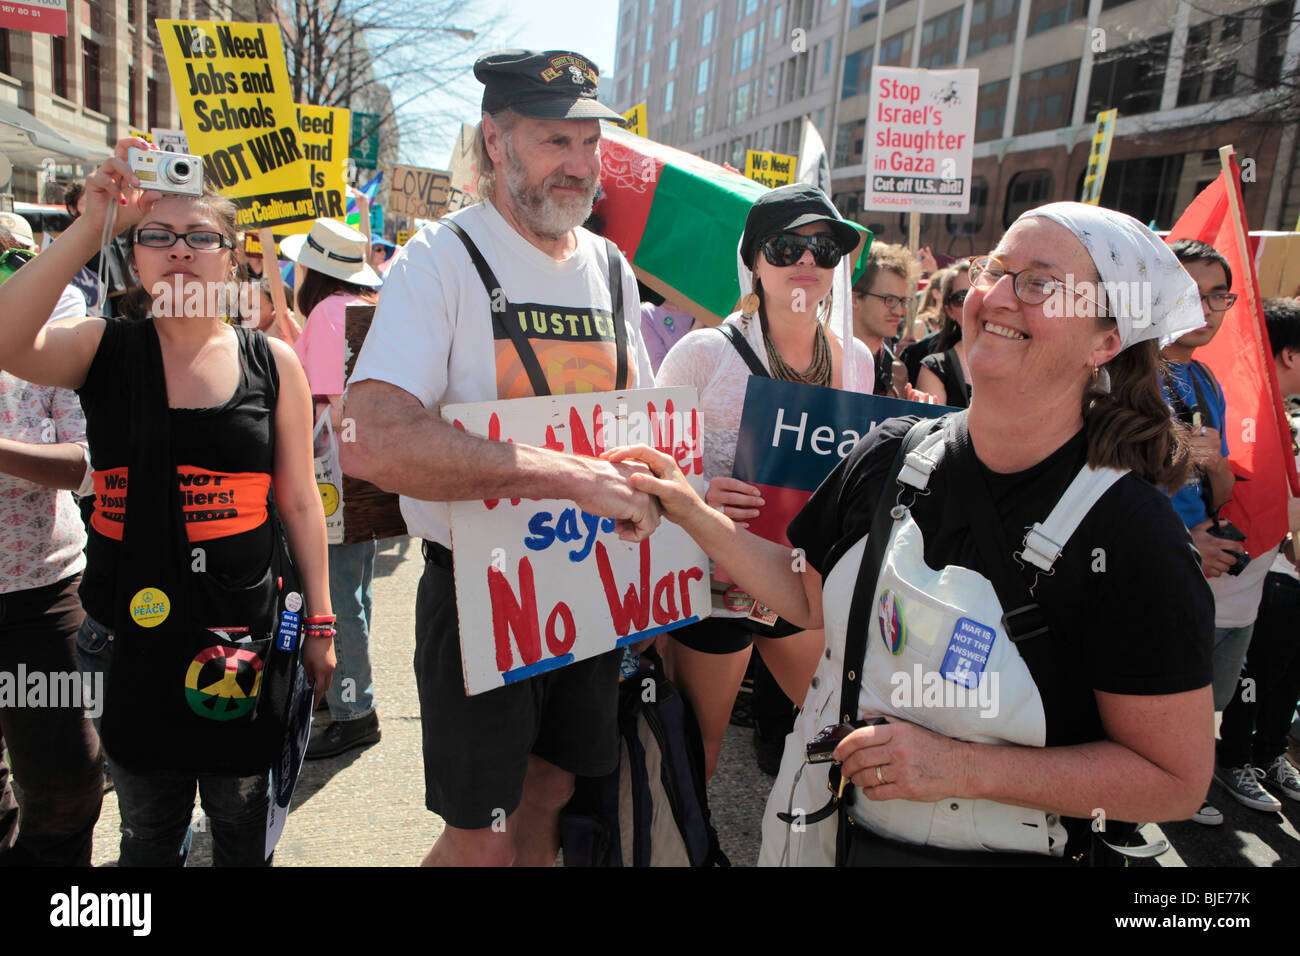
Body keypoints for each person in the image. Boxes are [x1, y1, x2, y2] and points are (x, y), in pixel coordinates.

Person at [609, 201, 1214, 866]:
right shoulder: (892, 452)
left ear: (1107, 340)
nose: (996, 297)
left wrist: (964, 769)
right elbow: (805, 595)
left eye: (1039, 283)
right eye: (995, 269)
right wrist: (691, 510)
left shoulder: (1131, 532)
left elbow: (1174, 781)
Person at [342, 49, 659, 868]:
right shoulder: (439, 259)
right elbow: (371, 435)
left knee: (551, 790)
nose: (581, 167)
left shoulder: (613, 270)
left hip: (590, 589)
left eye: (592, 146)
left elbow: (645, 429)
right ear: (496, 140)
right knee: (478, 835)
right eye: (556, 141)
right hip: (484, 589)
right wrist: (561, 473)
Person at [0, 137, 335, 866]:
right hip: (126, 640)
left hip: (238, 640)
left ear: (232, 253)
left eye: (200, 237)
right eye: (157, 235)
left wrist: (322, 621)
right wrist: (93, 224)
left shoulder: (270, 361)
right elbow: (6, 338)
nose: (178, 251)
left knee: (243, 831)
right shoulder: (102, 347)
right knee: (148, 838)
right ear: (136, 253)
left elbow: (302, 505)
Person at [655, 183, 872, 781]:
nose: (807, 261)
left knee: (845, 730)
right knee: (698, 753)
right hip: (713, 580)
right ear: (753, 261)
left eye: (824, 249)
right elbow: (648, 463)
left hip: (801, 579)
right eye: (786, 246)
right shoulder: (703, 354)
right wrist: (699, 491)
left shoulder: (857, 360)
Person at [1158, 238, 1277, 825]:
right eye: (1190, 292)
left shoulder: (1205, 380)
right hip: (1147, 565)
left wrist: (1215, 467)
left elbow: (1222, 488)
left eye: (1217, 296)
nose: (1204, 309)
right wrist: (1181, 542)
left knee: (1197, 690)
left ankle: (1181, 785)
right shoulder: (1123, 371)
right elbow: (1100, 488)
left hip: (1198, 567)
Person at [0, 227, 103, 866]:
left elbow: (89, 463)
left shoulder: (51, 344)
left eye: (13, 258)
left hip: (39, 593)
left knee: (65, 783)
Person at [280, 218, 385, 759]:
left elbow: (315, 398)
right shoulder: (373, 305)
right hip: (367, 474)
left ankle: (353, 709)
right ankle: (345, 693)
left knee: (338, 596)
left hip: (330, 477)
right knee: (355, 591)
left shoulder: (326, 311)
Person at [1215, 297, 1300, 809]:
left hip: (1248, 597)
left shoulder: (1281, 419)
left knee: (1233, 692)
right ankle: (1217, 770)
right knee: (1184, 699)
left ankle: (1255, 757)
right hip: (1210, 586)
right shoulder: (1242, 413)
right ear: (1288, 355)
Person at [850, 242, 916, 397]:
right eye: (889, 300)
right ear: (855, 298)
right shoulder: (820, 359)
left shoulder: (896, 372)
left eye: (903, 301)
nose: (899, 311)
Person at [915, 260, 974, 408]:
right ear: (949, 310)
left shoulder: (1017, 362)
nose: (973, 303)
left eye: (980, 293)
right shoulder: (936, 368)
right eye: (962, 297)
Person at [640, 296, 695, 372]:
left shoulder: (706, 305)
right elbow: (660, 370)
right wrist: (698, 326)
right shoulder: (646, 313)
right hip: (681, 382)